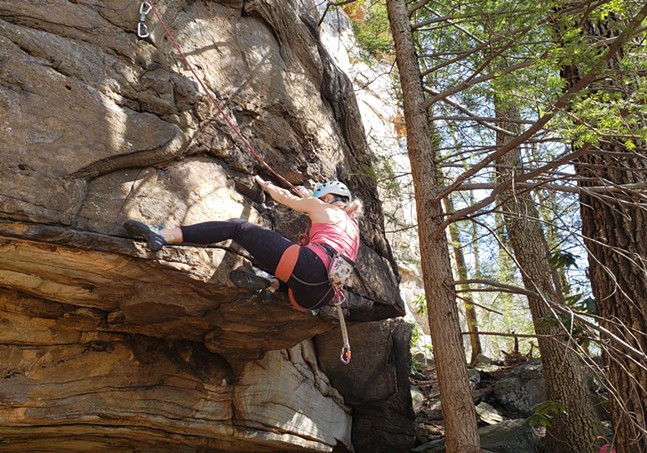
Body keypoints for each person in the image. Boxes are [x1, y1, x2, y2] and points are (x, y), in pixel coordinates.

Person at [123, 177, 362, 312]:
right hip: (316, 298)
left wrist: (266, 185)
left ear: (328, 198)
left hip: (307, 267)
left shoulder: (323, 206)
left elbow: (285, 199)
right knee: (284, 259)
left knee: (238, 227)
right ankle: (271, 283)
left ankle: (163, 234)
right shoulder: (353, 229)